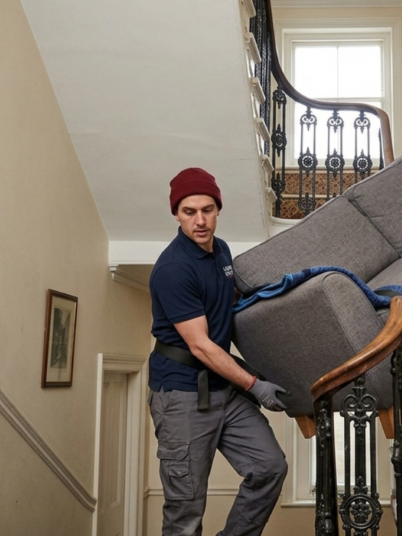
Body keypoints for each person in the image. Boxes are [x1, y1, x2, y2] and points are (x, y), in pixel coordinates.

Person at [147, 167, 289, 536]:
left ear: (218, 208)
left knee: (269, 466)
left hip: (221, 388)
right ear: (176, 214)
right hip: (181, 394)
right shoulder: (173, 269)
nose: (200, 220)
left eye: (207, 209)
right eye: (189, 211)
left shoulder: (221, 250)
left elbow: (233, 303)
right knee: (186, 509)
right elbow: (200, 345)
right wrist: (254, 385)